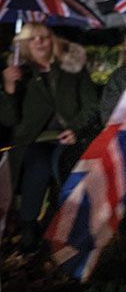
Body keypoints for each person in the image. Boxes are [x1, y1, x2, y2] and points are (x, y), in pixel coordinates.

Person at [0, 23, 98, 252]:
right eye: (32, 39)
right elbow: (8, 120)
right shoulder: (18, 73)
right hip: (32, 140)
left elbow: (92, 105)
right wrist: (9, 87)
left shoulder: (71, 67)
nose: (39, 42)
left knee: (65, 163)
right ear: (23, 45)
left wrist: (76, 128)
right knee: (39, 165)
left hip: (71, 137)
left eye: (44, 37)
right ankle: (29, 226)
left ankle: (73, 226)